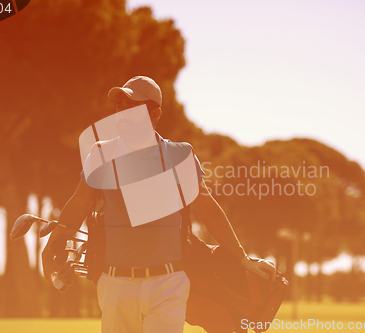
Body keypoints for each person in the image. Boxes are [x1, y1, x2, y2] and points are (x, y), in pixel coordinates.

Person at [42, 76, 276, 333]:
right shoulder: (101, 154)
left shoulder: (179, 155)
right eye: (119, 107)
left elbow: (206, 207)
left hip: (168, 284)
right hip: (116, 284)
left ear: (155, 114)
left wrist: (241, 258)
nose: (122, 114)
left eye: (132, 107)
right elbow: (79, 202)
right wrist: (56, 240)